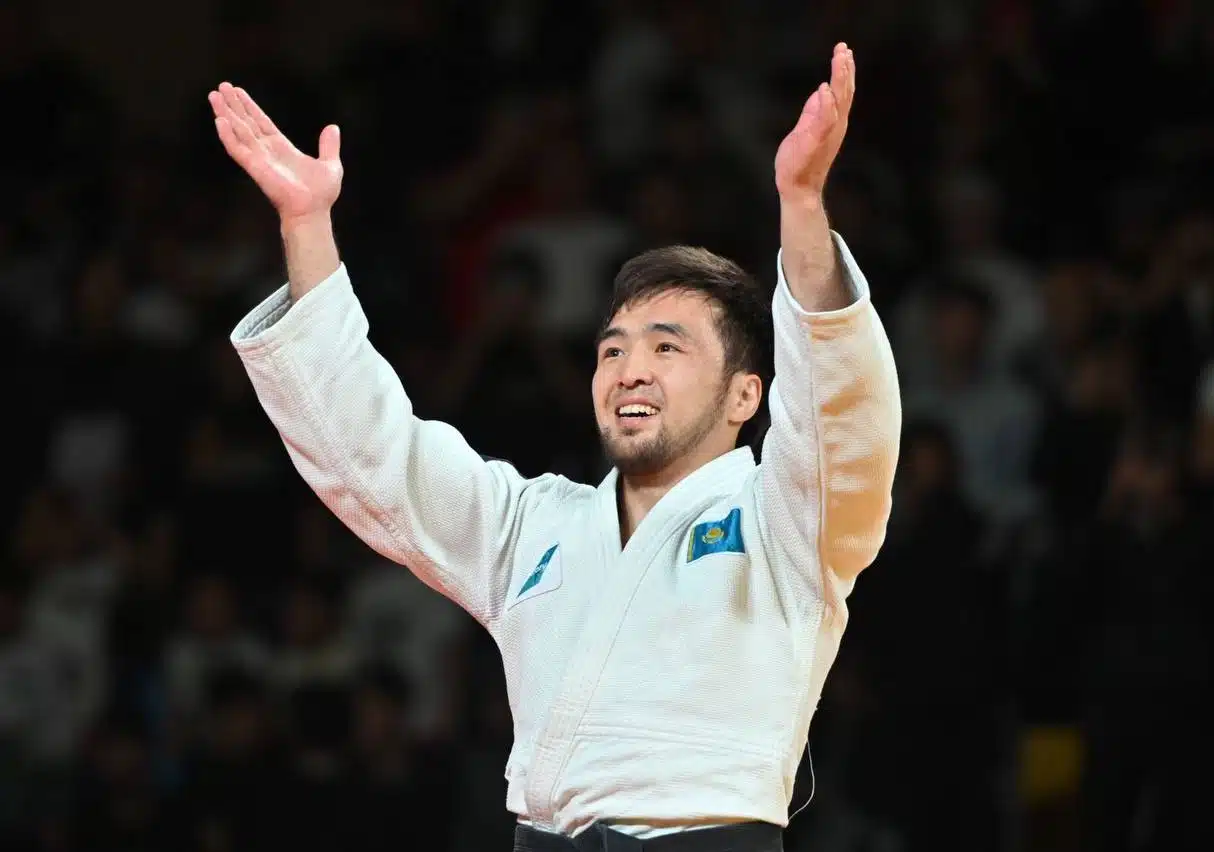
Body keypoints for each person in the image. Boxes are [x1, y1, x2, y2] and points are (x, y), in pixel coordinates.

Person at [211, 42, 901, 852]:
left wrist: (802, 206)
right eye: (613, 349)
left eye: (666, 347)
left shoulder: (786, 525)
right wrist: (305, 227)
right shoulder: (535, 524)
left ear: (746, 395)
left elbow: (839, 420)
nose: (629, 369)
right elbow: (375, 456)